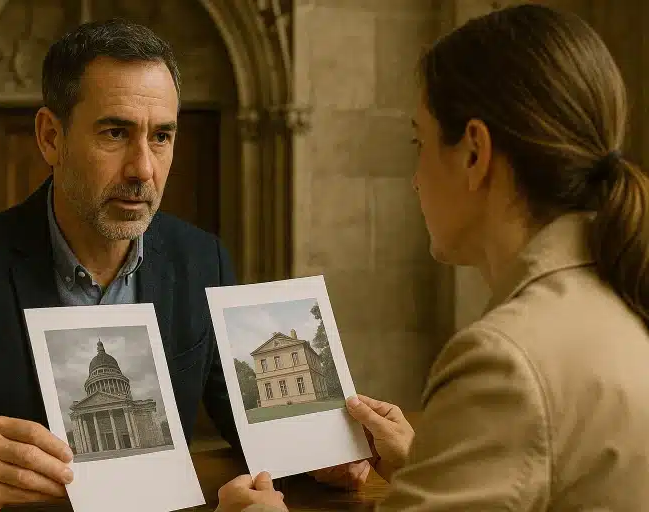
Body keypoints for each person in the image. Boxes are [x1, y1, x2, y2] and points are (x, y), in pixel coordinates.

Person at [217, 4, 649, 511]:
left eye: (418, 142)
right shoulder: (618, 294)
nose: (416, 177)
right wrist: (433, 462)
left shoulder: (503, 360)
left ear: (473, 153)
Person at [0, 19, 245, 512]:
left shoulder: (203, 259)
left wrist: (325, 454)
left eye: (161, 136)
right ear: (51, 137)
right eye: (115, 133)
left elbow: (251, 422)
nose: (144, 169)